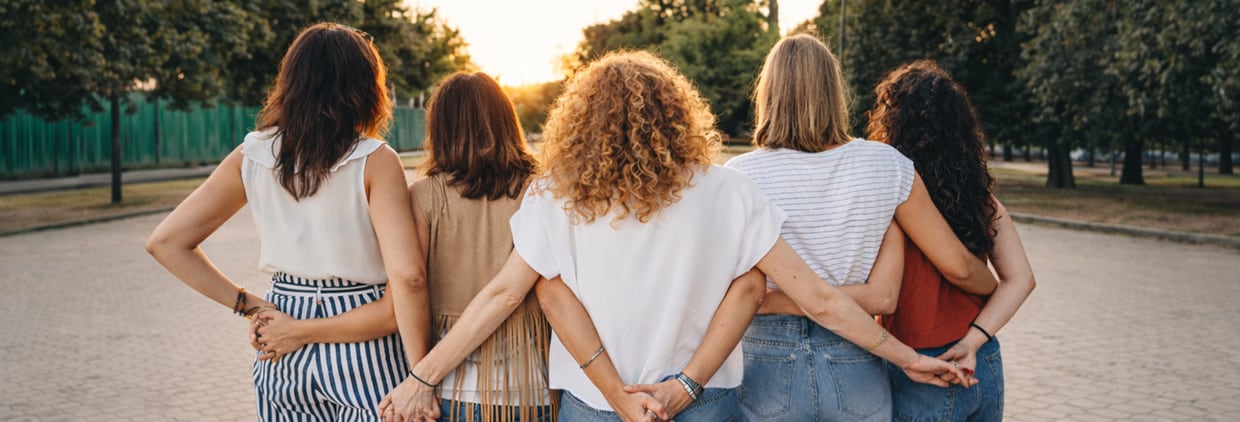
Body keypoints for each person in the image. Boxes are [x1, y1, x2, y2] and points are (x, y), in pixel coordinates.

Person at [381, 50, 968, 422]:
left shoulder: (555, 192)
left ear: (580, 120)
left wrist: (421, 378)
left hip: (594, 403)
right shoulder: (728, 191)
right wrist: (906, 358)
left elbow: (515, 294)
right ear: (678, 113)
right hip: (703, 400)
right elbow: (817, 298)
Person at [146, 23, 429, 421]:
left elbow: (166, 242)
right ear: (365, 87)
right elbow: (410, 278)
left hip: (280, 334)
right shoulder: (375, 159)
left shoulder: (253, 154)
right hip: (364, 336)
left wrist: (250, 307)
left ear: (291, 82)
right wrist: (422, 375)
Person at [725, 34, 997, 421]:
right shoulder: (887, 166)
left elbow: (730, 293)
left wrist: (780, 300)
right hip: (855, 353)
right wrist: (993, 287)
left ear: (768, 92)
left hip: (767, 361)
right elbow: (943, 268)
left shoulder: (738, 176)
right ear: (833, 90)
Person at [868, 60, 1036, 421]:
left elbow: (959, 270)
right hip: (981, 359)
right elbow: (1022, 279)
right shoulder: (981, 198)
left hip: (925, 366)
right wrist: (973, 341)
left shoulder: (892, 199)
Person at [384, 71, 554, 422]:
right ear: (507, 122)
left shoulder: (422, 196)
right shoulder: (541, 192)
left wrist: (420, 377)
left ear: (439, 129)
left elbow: (413, 286)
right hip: (533, 386)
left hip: (451, 387)